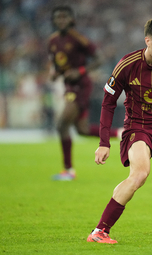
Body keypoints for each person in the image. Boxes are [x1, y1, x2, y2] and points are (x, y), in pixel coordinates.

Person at [87, 17, 152, 244]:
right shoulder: (127, 64)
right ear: (148, 41)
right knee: (139, 174)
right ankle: (100, 231)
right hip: (137, 129)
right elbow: (108, 102)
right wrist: (104, 142)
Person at [48, 5, 122, 181]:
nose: (61, 21)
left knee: (61, 124)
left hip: (81, 85)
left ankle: (68, 171)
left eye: (64, 17)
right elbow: (59, 65)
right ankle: (121, 133)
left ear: (71, 20)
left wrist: (80, 71)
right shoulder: (52, 41)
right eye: (58, 18)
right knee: (82, 130)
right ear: (54, 20)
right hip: (69, 85)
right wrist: (55, 73)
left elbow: (99, 59)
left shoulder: (79, 39)